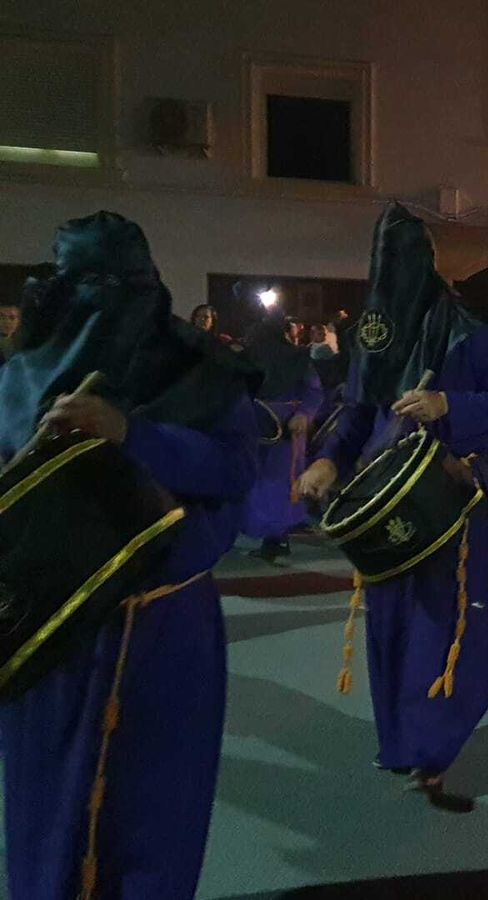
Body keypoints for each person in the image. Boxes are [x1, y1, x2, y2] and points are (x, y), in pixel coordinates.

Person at [0, 212, 259, 899]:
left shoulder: (201, 374)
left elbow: (233, 473)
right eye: (81, 282)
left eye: (113, 283)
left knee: (155, 813)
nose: (98, 301)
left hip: (164, 629)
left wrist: (130, 434)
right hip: (51, 635)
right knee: (45, 805)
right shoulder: (20, 378)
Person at [296, 203, 488, 804]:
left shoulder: (477, 332)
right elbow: (359, 410)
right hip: (385, 498)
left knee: (442, 623)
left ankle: (434, 746)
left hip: (453, 498)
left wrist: (450, 405)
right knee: (390, 624)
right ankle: (398, 741)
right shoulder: (374, 334)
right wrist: (327, 461)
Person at [242, 311, 323, 562]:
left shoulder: (297, 359)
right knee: (257, 484)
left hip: (286, 429)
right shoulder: (250, 358)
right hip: (256, 426)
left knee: (279, 486)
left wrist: (304, 414)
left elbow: (314, 391)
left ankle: (276, 539)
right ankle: (271, 536)